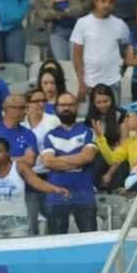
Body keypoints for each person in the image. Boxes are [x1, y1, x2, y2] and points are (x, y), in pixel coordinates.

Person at [0, 137, 68, 237]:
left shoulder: (19, 166)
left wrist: (55, 189)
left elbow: (36, 182)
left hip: (18, 221)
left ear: (8, 153)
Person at [40, 95, 99, 233]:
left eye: (70, 104)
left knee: (90, 240)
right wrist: (77, 162)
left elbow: (88, 157)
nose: (66, 108)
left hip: (84, 193)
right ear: (56, 109)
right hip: (57, 196)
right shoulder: (49, 135)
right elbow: (48, 161)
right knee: (57, 244)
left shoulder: (88, 131)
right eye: (62, 105)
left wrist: (59, 161)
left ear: (77, 107)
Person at [71, 0, 131, 102]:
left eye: (110, 1)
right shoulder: (82, 23)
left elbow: (128, 50)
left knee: (114, 118)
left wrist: (122, 71)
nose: (106, 5)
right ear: (96, 1)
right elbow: (77, 55)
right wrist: (81, 83)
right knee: (92, 119)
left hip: (113, 82)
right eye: (103, 1)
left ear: (114, 4)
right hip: (89, 83)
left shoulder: (120, 24)